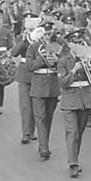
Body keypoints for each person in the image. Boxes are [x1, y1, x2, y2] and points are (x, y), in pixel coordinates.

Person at [58, 29, 91, 178]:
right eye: (76, 43)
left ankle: (75, 159)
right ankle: (73, 163)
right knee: (72, 132)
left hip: (84, 100)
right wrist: (73, 70)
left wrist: (90, 68)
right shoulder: (63, 61)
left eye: (81, 42)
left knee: (79, 133)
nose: (79, 45)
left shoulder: (87, 58)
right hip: (70, 100)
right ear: (70, 44)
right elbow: (63, 83)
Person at [26, 21, 61, 160]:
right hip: (39, 86)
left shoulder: (56, 46)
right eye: (45, 34)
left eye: (49, 33)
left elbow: (64, 64)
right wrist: (42, 59)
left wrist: (57, 60)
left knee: (49, 117)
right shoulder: (33, 47)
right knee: (39, 117)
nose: (47, 36)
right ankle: (44, 147)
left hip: (52, 85)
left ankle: (43, 143)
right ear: (40, 33)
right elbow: (29, 66)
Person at [10, 12, 39, 144]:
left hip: (36, 73)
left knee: (35, 104)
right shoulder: (20, 38)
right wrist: (24, 40)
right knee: (25, 105)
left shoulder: (40, 38)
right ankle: (26, 132)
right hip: (23, 73)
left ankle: (32, 131)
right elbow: (14, 53)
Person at [0, 8, 14, 116]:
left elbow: (11, 47)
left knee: (0, 83)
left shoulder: (7, 32)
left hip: (1, 59)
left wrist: (7, 57)